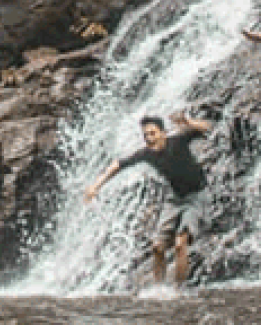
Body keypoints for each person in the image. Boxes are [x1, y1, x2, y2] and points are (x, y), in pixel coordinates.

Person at [84, 111, 210, 287]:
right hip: (173, 199)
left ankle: (179, 292)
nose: (149, 138)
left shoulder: (178, 141)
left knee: (181, 244)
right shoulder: (146, 154)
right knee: (157, 247)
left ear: (163, 133)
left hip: (196, 197)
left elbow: (207, 127)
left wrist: (188, 121)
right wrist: (95, 186)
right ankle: (158, 291)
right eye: (145, 135)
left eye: (152, 133)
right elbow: (117, 165)